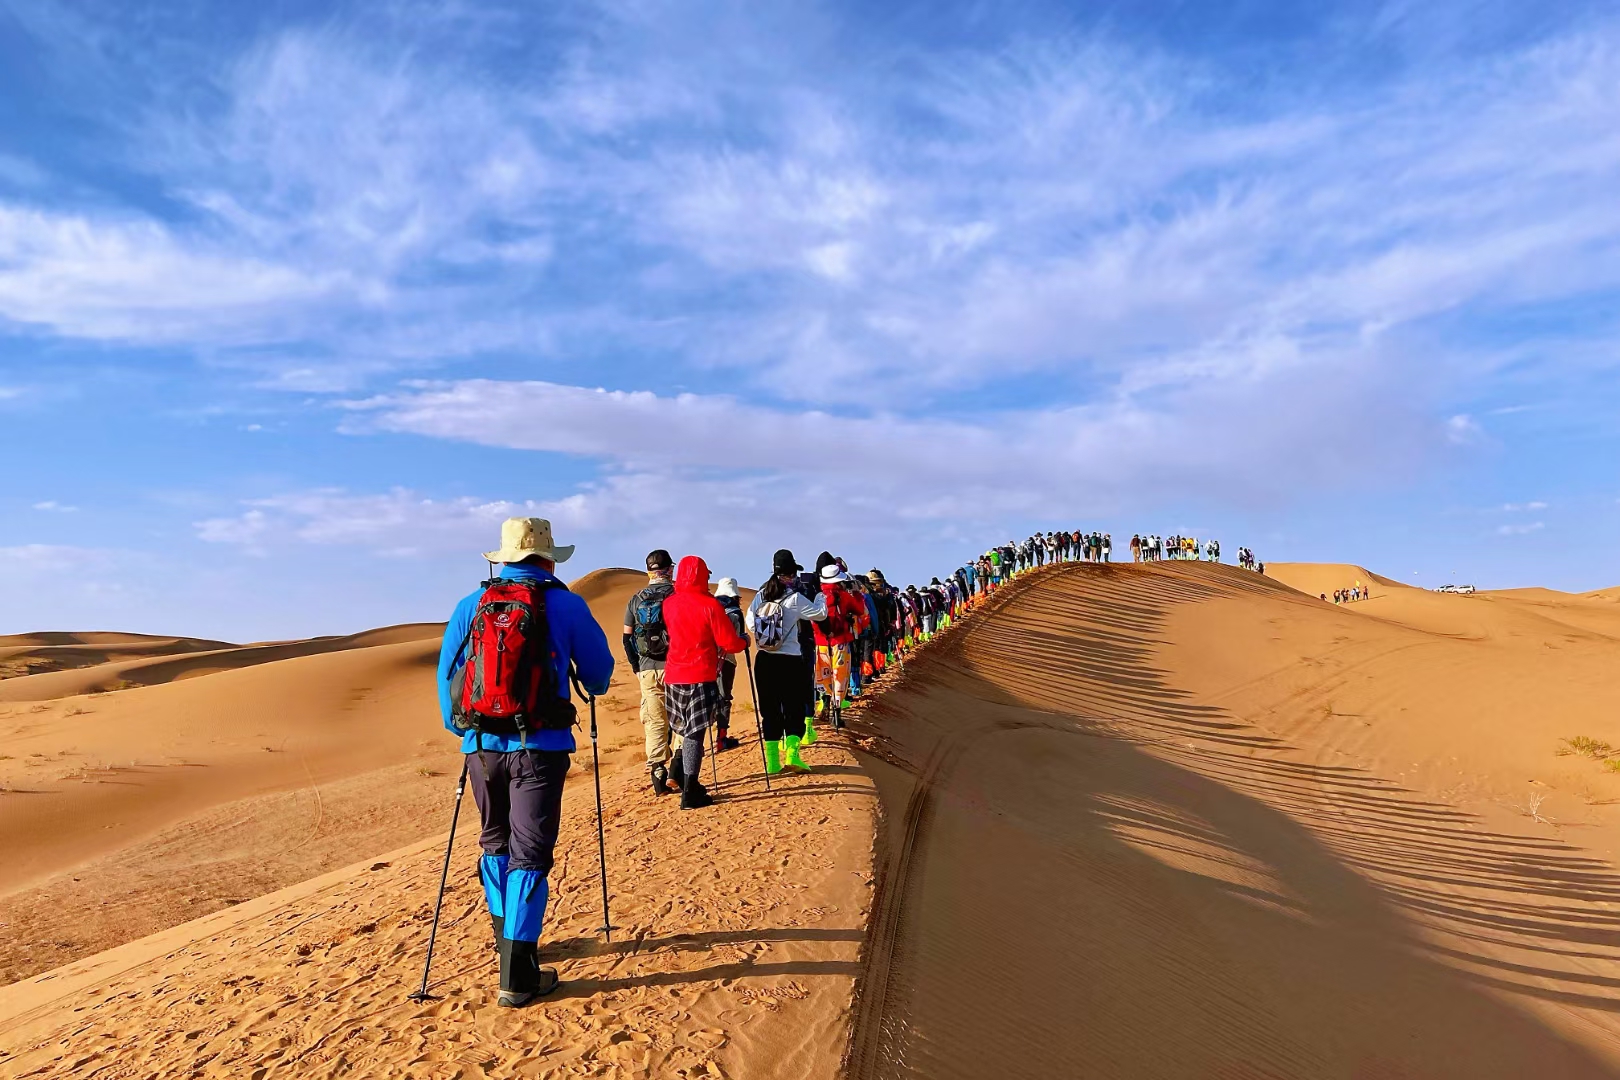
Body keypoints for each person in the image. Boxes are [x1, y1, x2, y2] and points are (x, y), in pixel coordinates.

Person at [437, 517, 613, 1007]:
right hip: (541, 747)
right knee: (530, 853)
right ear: (548, 558)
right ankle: (517, 974)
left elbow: (446, 673)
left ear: (504, 557)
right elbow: (599, 673)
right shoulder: (568, 605)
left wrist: (466, 731)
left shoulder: (470, 605)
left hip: (480, 749)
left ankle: (507, 940)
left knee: (495, 841)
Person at [660, 555, 751, 809]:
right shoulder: (710, 605)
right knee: (694, 734)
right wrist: (744, 641)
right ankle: (690, 789)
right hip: (700, 675)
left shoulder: (669, 604)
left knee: (683, 730)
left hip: (674, 677)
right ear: (701, 575)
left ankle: (683, 778)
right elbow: (729, 642)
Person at [747, 549, 828, 775]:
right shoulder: (795, 598)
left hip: (764, 659)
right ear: (792, 573)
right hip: (791, 660)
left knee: (770, 710)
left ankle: (773, 762)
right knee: (793, 706)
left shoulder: (761, 595)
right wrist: (820, 596)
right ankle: (793, 754)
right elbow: (820, 615)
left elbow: (750, 621)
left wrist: (767, 634)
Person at [624, 550, 677, 796]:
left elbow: (626, 638)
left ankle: (657, 772)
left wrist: (637, 667)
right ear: (669, 569)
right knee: (680, 717)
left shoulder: (635, 599)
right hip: (675, 667)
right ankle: (679, 766)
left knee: (655, 721)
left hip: (647, 669)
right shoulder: (676, 595)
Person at [713, 578, 747, 751]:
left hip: (706, 659)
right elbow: (737, 641)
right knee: (724, 698)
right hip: (726, 660)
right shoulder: (735, 612)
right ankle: (721, 739)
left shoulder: (710, 607)